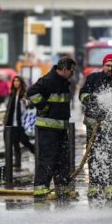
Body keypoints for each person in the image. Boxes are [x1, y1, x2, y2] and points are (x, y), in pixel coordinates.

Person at [79, 53, 112, 200]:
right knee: (93, 155)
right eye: (107, 65)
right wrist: (92, 101)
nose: (110, 68)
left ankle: (111, 187)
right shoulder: (93, 78)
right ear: (103, 66)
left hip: (111, 126)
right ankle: (94, 186)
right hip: (93, 125)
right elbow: (82, 94)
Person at [27, 57, 78, 200]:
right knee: (48, 159)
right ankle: (41, 190)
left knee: (62, 159)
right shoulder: (49, 80)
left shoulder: (62, 82)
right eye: (72, 71)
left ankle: (62, 189)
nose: (72, 74)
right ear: (64, 69)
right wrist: (43, 106)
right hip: (48, 129)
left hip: (60, 129)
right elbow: (31, 92)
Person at [3, 75, 35, 167]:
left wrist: (26, 102)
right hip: (12, 123)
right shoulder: (12, 94)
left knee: (24, 141)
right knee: (14, 142)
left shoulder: (24, 94)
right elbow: (9, 108)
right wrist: (5, 119)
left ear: (21, 82)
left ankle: (36, 152)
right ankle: (17, 163)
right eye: (14, 81)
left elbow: (31, 104)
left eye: (18, 81)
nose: (16, 82)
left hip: (22, 123)